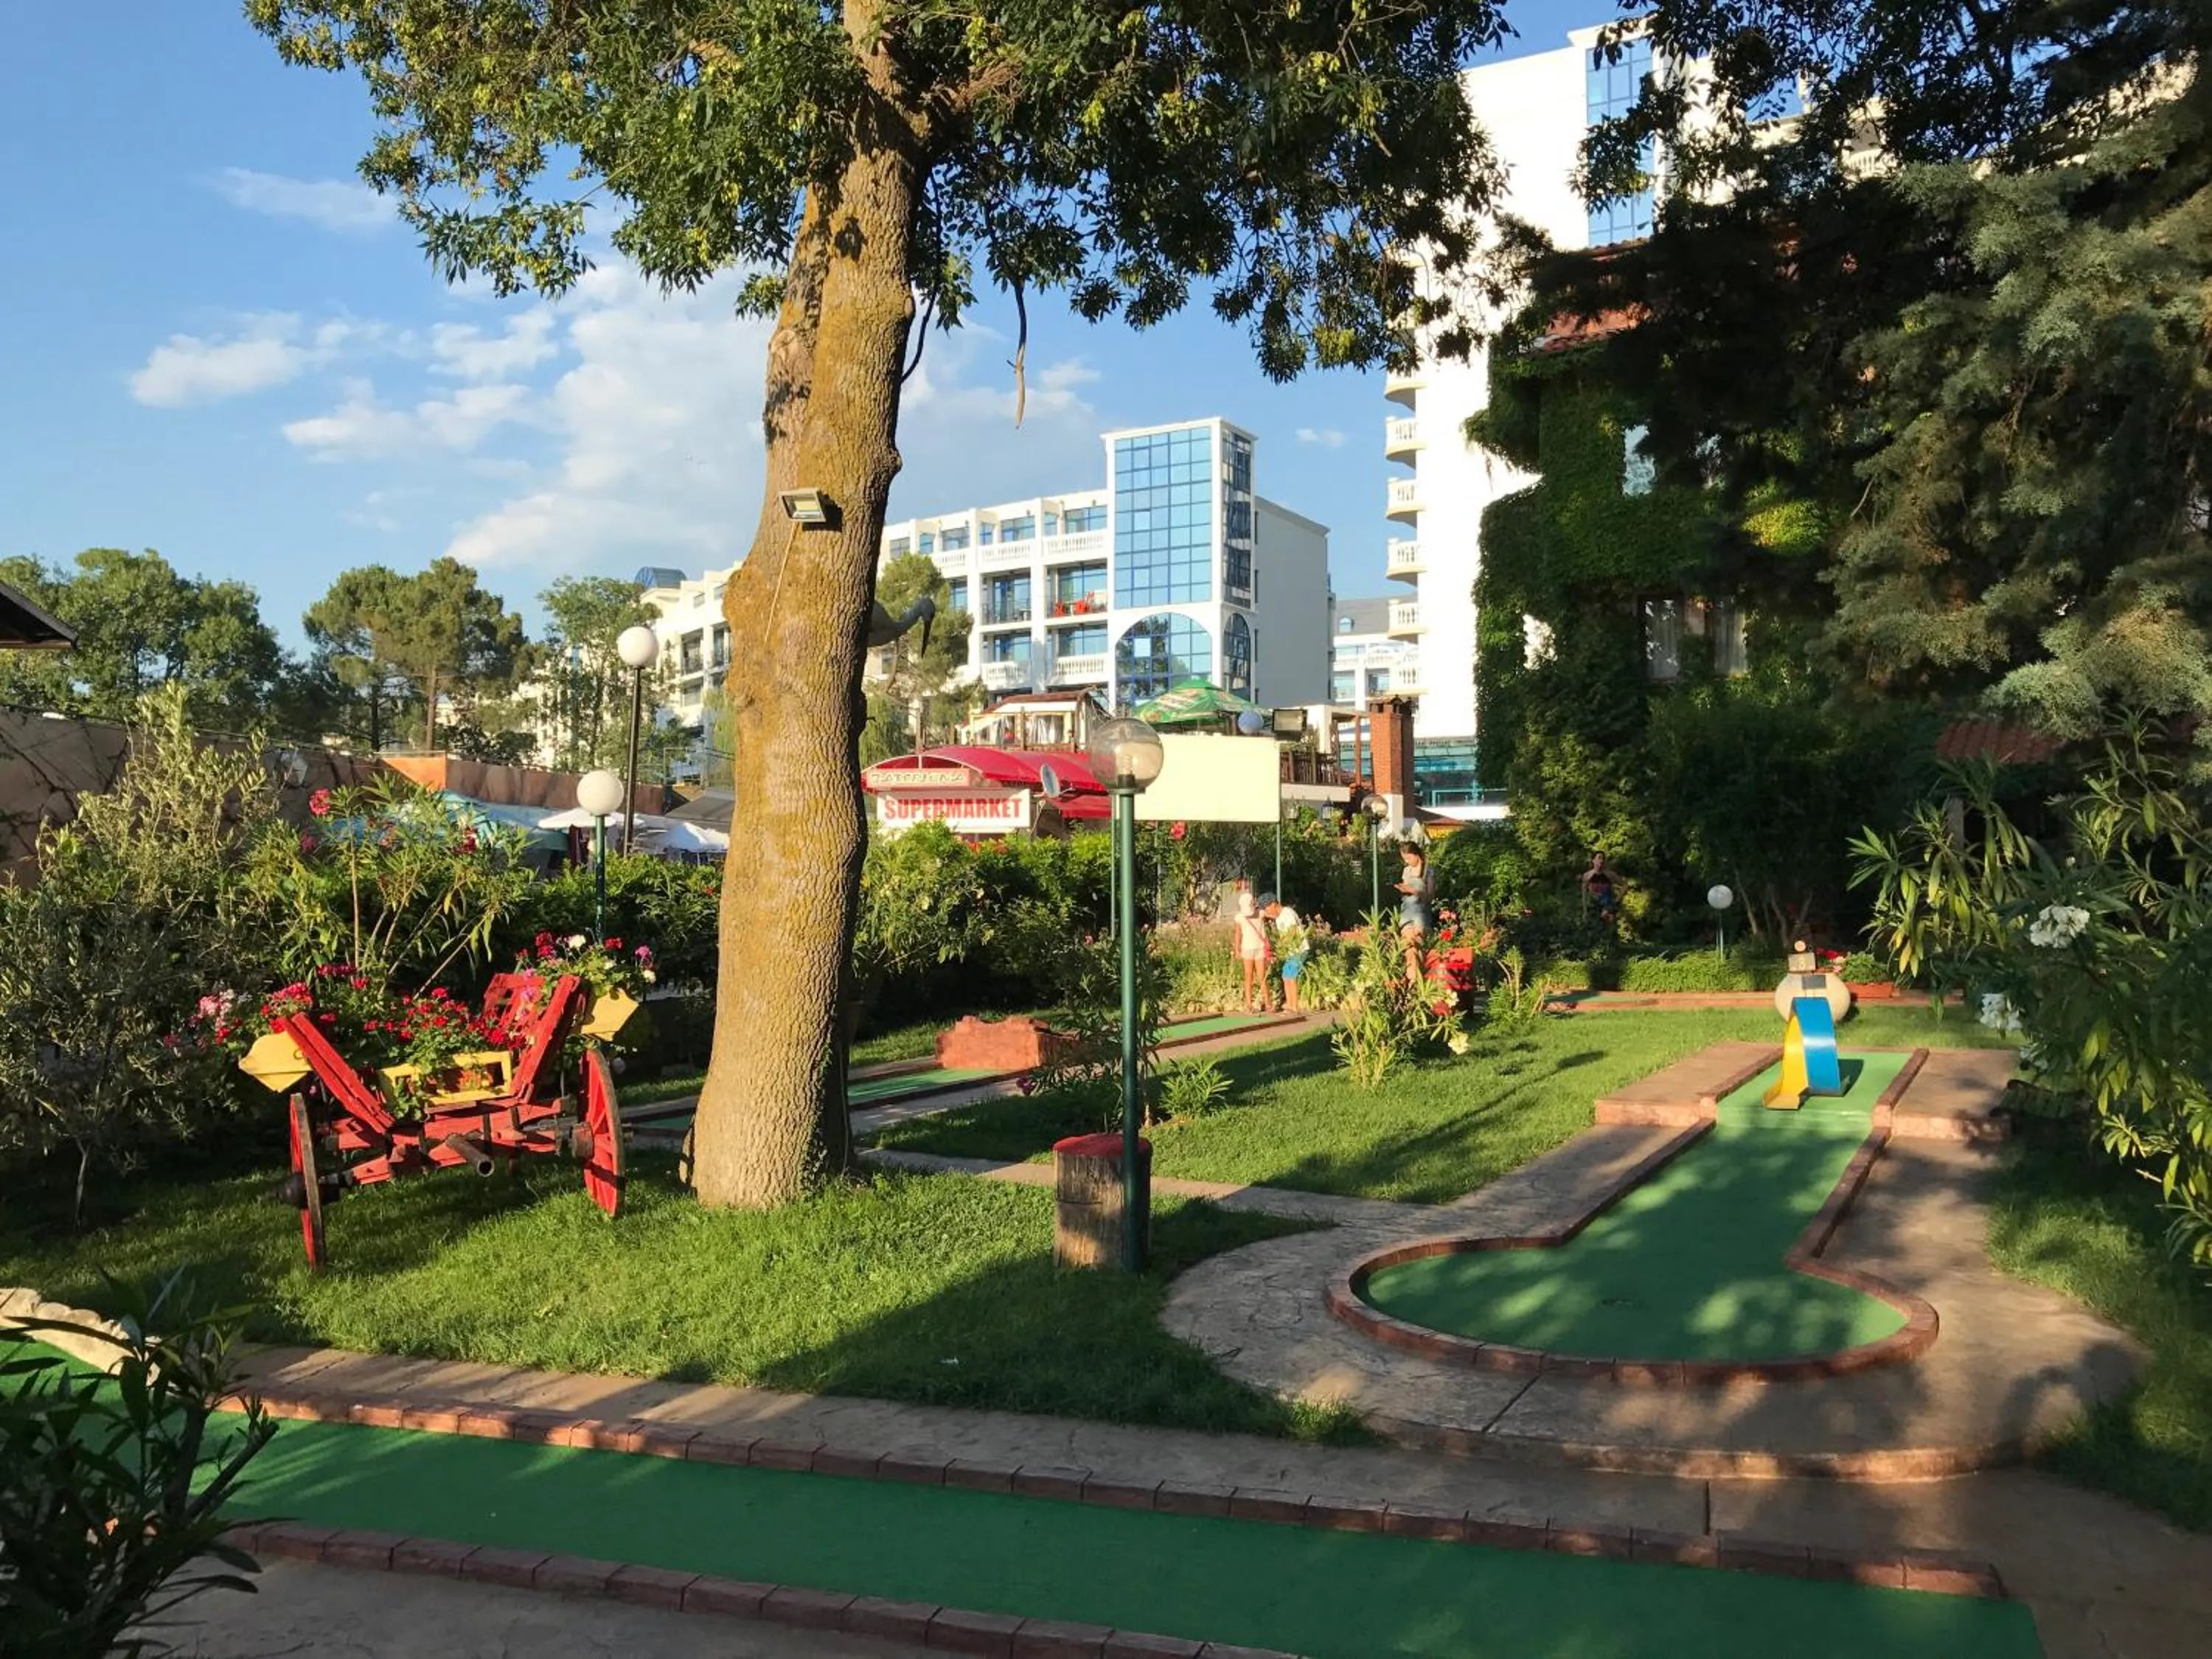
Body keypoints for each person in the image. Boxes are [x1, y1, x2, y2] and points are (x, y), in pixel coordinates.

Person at [1394, 842, 1435, 991]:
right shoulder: (1406, 871)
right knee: (1408, 950)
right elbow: (1406, 890)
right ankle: (1411, 986)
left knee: (1419, 951)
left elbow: (1430, 896)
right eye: (1404, 859)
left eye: (1408, 858)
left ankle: (1419, 987)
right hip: (1407, 914)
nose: (1407, 862)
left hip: (1421, 915)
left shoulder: (1428, 871)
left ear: (1416, 855)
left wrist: (1415, 891)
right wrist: (1404, 889)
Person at [1232, 887, 1272, 1012]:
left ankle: (1268, 1003)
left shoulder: (1260, 913)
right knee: (1248, 976)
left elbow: (1272, 914)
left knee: (1262, 977)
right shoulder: (1239, 917)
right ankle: (1248, 1004)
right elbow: (1238, 934)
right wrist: (1237, 949)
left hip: (1260, 948)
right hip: (1247, 949)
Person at [1268, 900, 1310, 1012]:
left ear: (1273, 904)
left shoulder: (1288, 913)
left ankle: (1294, 1006)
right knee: (1285, 976)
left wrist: (1284, 945)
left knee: (1291, 976)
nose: (1268, 913)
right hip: (1289, 951)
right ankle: (1290, 1003)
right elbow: (1282, 936)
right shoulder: (1278, 918)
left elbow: (1292, 932)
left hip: (1298, 949)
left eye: (1268, 909)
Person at [1580, 852, 1618, 931]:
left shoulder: (1609, 874)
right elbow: (1584, 894)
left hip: (1607, 904)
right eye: (1599, 858)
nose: (1602, 860)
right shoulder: (1587, 876)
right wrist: (1585, 911)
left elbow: (1625, 884)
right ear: (1593, 860)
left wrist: (1618, 899)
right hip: (1594, 904)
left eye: (1603, 858)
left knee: (1608, 918)